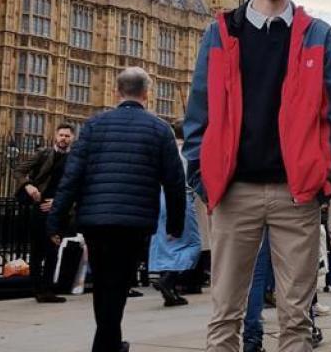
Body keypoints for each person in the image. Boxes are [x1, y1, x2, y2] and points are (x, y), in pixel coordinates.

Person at [182, 0, 331, 352]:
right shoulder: (220, 32)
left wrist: (327, 181)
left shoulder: (318, 35)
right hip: (234, 191)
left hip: (297, 193)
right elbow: (198, 111)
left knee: (297, 317)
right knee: (225, 315)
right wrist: (202, 177)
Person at [47, 67, 185, 352]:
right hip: (134, 223)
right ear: (147, 94)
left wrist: (56, 220)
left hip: (96, 221)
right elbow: (174, 182)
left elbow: (71, 177)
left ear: (115, 92)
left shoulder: (93, 126)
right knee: (119, 284)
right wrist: (175, 224)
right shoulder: (160, 129)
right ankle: (106, 345)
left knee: (103, 284)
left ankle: (108, 343)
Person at [13, 123, 75, 303]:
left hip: (59, 210)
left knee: (52, 250)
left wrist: (59, 202)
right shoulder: (43, 154)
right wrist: (28, 186)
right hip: (39, 207)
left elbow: (77, 186)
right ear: (56, 136)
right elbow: (19, 170)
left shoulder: (74, 160)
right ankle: (37, 289)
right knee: (37, 250)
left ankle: (47, 290)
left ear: (72, 138)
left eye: (67, 136)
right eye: (61, 135)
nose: (64, 138)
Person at [148, 119, 202, 307]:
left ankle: (169, 290)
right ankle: (168, 279)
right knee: (193, 244)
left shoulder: (164, 150)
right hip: (181, 197)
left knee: (165, 242)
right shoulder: (191, 152)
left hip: (160, 198)